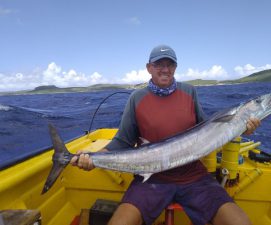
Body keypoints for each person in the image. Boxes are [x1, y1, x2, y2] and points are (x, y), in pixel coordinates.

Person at [71, 44, 260, 225]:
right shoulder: (136, 98)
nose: (165, 69)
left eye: (170, 64)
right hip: (151, 178)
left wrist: (243, 128)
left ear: (176, 67)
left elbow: (209, 130)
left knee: (240, 222)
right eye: (158, 64)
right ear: (149, 68)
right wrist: (93, 158)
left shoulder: (189, 92)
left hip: (193, 176)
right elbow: (123, 140)